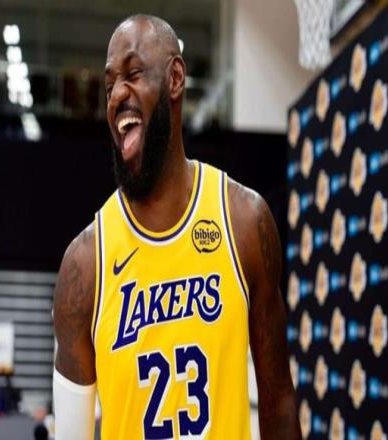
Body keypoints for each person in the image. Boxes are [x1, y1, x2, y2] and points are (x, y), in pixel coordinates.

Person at [53, 14, 300, 440]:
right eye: (110, 86)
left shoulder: (243, 221)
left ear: (175, 78)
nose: (117, 95)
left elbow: (278, 402)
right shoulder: (84, 265)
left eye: (133, 74)